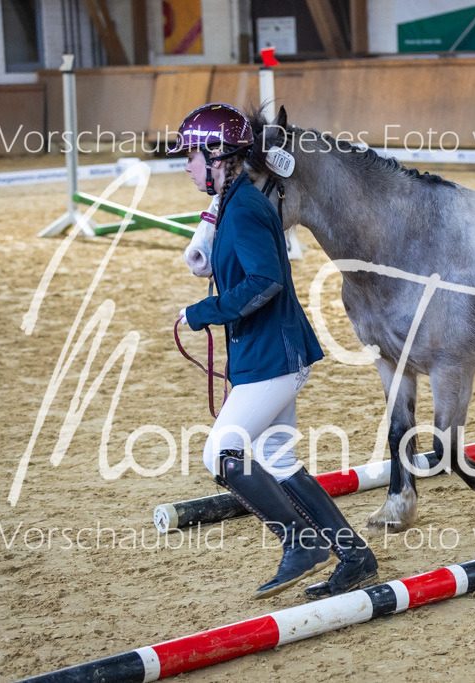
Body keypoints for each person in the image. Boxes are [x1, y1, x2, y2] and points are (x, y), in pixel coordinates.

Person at [169, 103, 378, 600]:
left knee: (220, 451)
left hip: (272, 355)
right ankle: (355, 556)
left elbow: (265, 280)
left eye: (191, 156)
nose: (186, 165)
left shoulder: (241, 209)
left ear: (217, 155)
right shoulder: (235, 202)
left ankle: (301, 542)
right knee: (275, 454)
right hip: (271, 351)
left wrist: (204, 312)